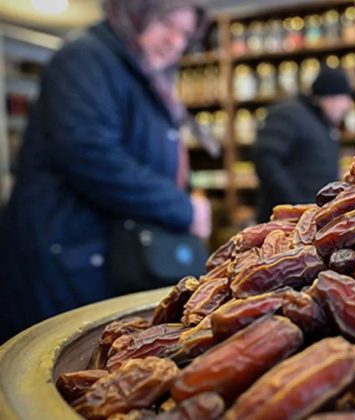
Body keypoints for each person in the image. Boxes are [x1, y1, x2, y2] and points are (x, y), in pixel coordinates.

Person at [0, 0, 211, 343]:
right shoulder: (86, 58)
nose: (174, 40)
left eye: (184, 33)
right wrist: (182, 208)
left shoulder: (137, 71)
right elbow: (88, 154)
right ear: (136, 13)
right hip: (66, 256)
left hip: (102, 254)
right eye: (165, 24)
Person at [254, 66, 355, 221]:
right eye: (345, 98)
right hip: (283, 222)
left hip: (308, 220)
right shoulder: (288, 115)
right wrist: (295, 202)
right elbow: (266, 159)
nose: (348, 105)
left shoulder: (323, 123)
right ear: (330, 97)